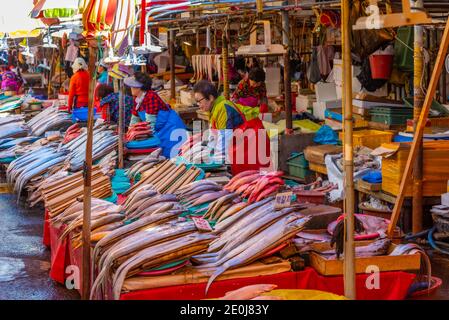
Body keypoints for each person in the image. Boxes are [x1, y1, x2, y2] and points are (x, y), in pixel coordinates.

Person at [193, 80, 270, 174]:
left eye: (199, 101)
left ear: (211, 97)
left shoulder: (222, 108)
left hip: (252, 140)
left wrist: (214, 162)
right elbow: (214, 136)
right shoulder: (214, 109)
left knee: (254, 175)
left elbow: (224, 139)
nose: (198, 105)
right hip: (244, 142)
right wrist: (209, 152)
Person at [124, 72, 187, 158]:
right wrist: (129, 134)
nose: (131, 88)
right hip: (160, 129)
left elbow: (150, 122)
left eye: (132, 86)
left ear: (139, 87)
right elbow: (134, 118)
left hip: (171, 128)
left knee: (175, 156)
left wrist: (150, 141)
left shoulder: (150, 96)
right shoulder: (137, 98)